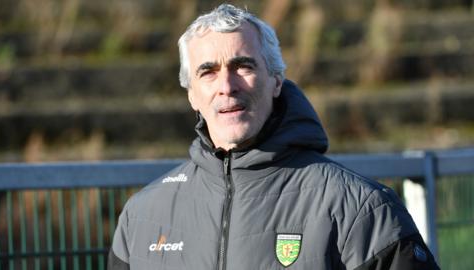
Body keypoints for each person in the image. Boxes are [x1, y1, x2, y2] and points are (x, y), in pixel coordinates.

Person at [108, 4, 440, 270]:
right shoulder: (142, 217)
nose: (227, 85)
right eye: (207, 72)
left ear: (276, 81)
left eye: (243, 66)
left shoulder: (362, 210)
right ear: (191, 95)